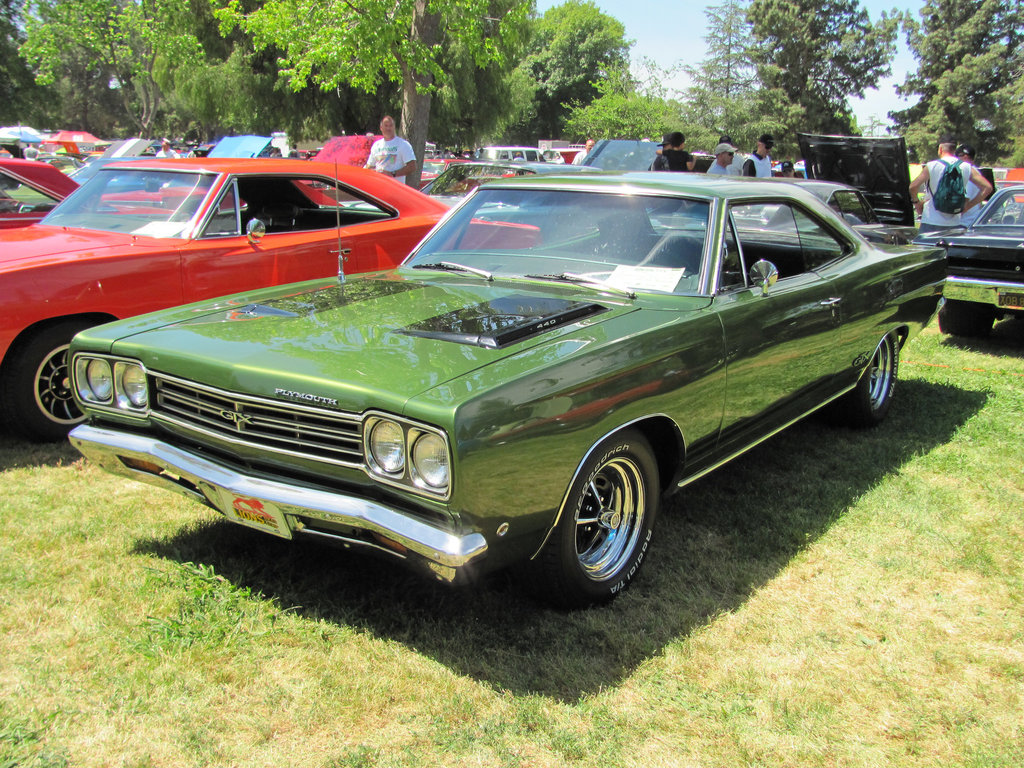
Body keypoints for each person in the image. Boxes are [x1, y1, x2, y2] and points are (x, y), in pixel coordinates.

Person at [909, 135, 992, 233]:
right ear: (954, 149)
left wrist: (916, 203)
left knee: (928, 248)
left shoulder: (932, 165)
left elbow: (913, 186)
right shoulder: (966, 167)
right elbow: (987, 188)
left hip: (931, 220)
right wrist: (967, 207)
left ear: (940, 149)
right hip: (954, 222)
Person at [364, 115, 416, 184]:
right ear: (381, 128)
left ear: (394, 127)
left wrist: (392, 174)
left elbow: (412, 166)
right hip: (378, 188)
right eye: (386, 126)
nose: (388, 128)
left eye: (391, 125)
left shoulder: (403, 144)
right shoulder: (376, 145)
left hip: (395, 189)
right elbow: (369, 166)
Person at [955, 144, 990, 227]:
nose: (956, 159)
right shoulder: (975, 172)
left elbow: (965, 200)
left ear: (965, 157)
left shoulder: (968, 174)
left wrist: (954, 216)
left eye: (957, 156)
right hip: (969, 221)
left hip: (964, 223)